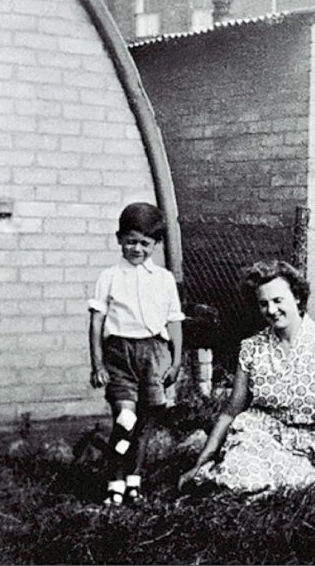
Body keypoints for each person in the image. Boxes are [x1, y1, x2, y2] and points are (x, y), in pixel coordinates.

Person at [179, 260, 315, 493]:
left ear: (297, 298)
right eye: (263, 304)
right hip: (257, 436)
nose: (271, 310)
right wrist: (200, 462)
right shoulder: (252, 347)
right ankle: (229, 473)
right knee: (240, 477)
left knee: (302, 487)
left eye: (278, 301)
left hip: (303, 443)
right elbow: (231, 410)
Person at [88, 202, 184, 506]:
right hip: (119, 353)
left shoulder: (164, 278)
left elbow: (174, 321)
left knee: (142, 427)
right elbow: (96, 322)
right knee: (125, 418)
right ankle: (114, 479)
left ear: (155, 244)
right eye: (131, 241)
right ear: (119, 239)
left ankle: (133, 481)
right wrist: (97, 363)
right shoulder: (110, 276)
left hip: (154, 354)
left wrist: (176, 360)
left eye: (145, 243)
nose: (137, 248)